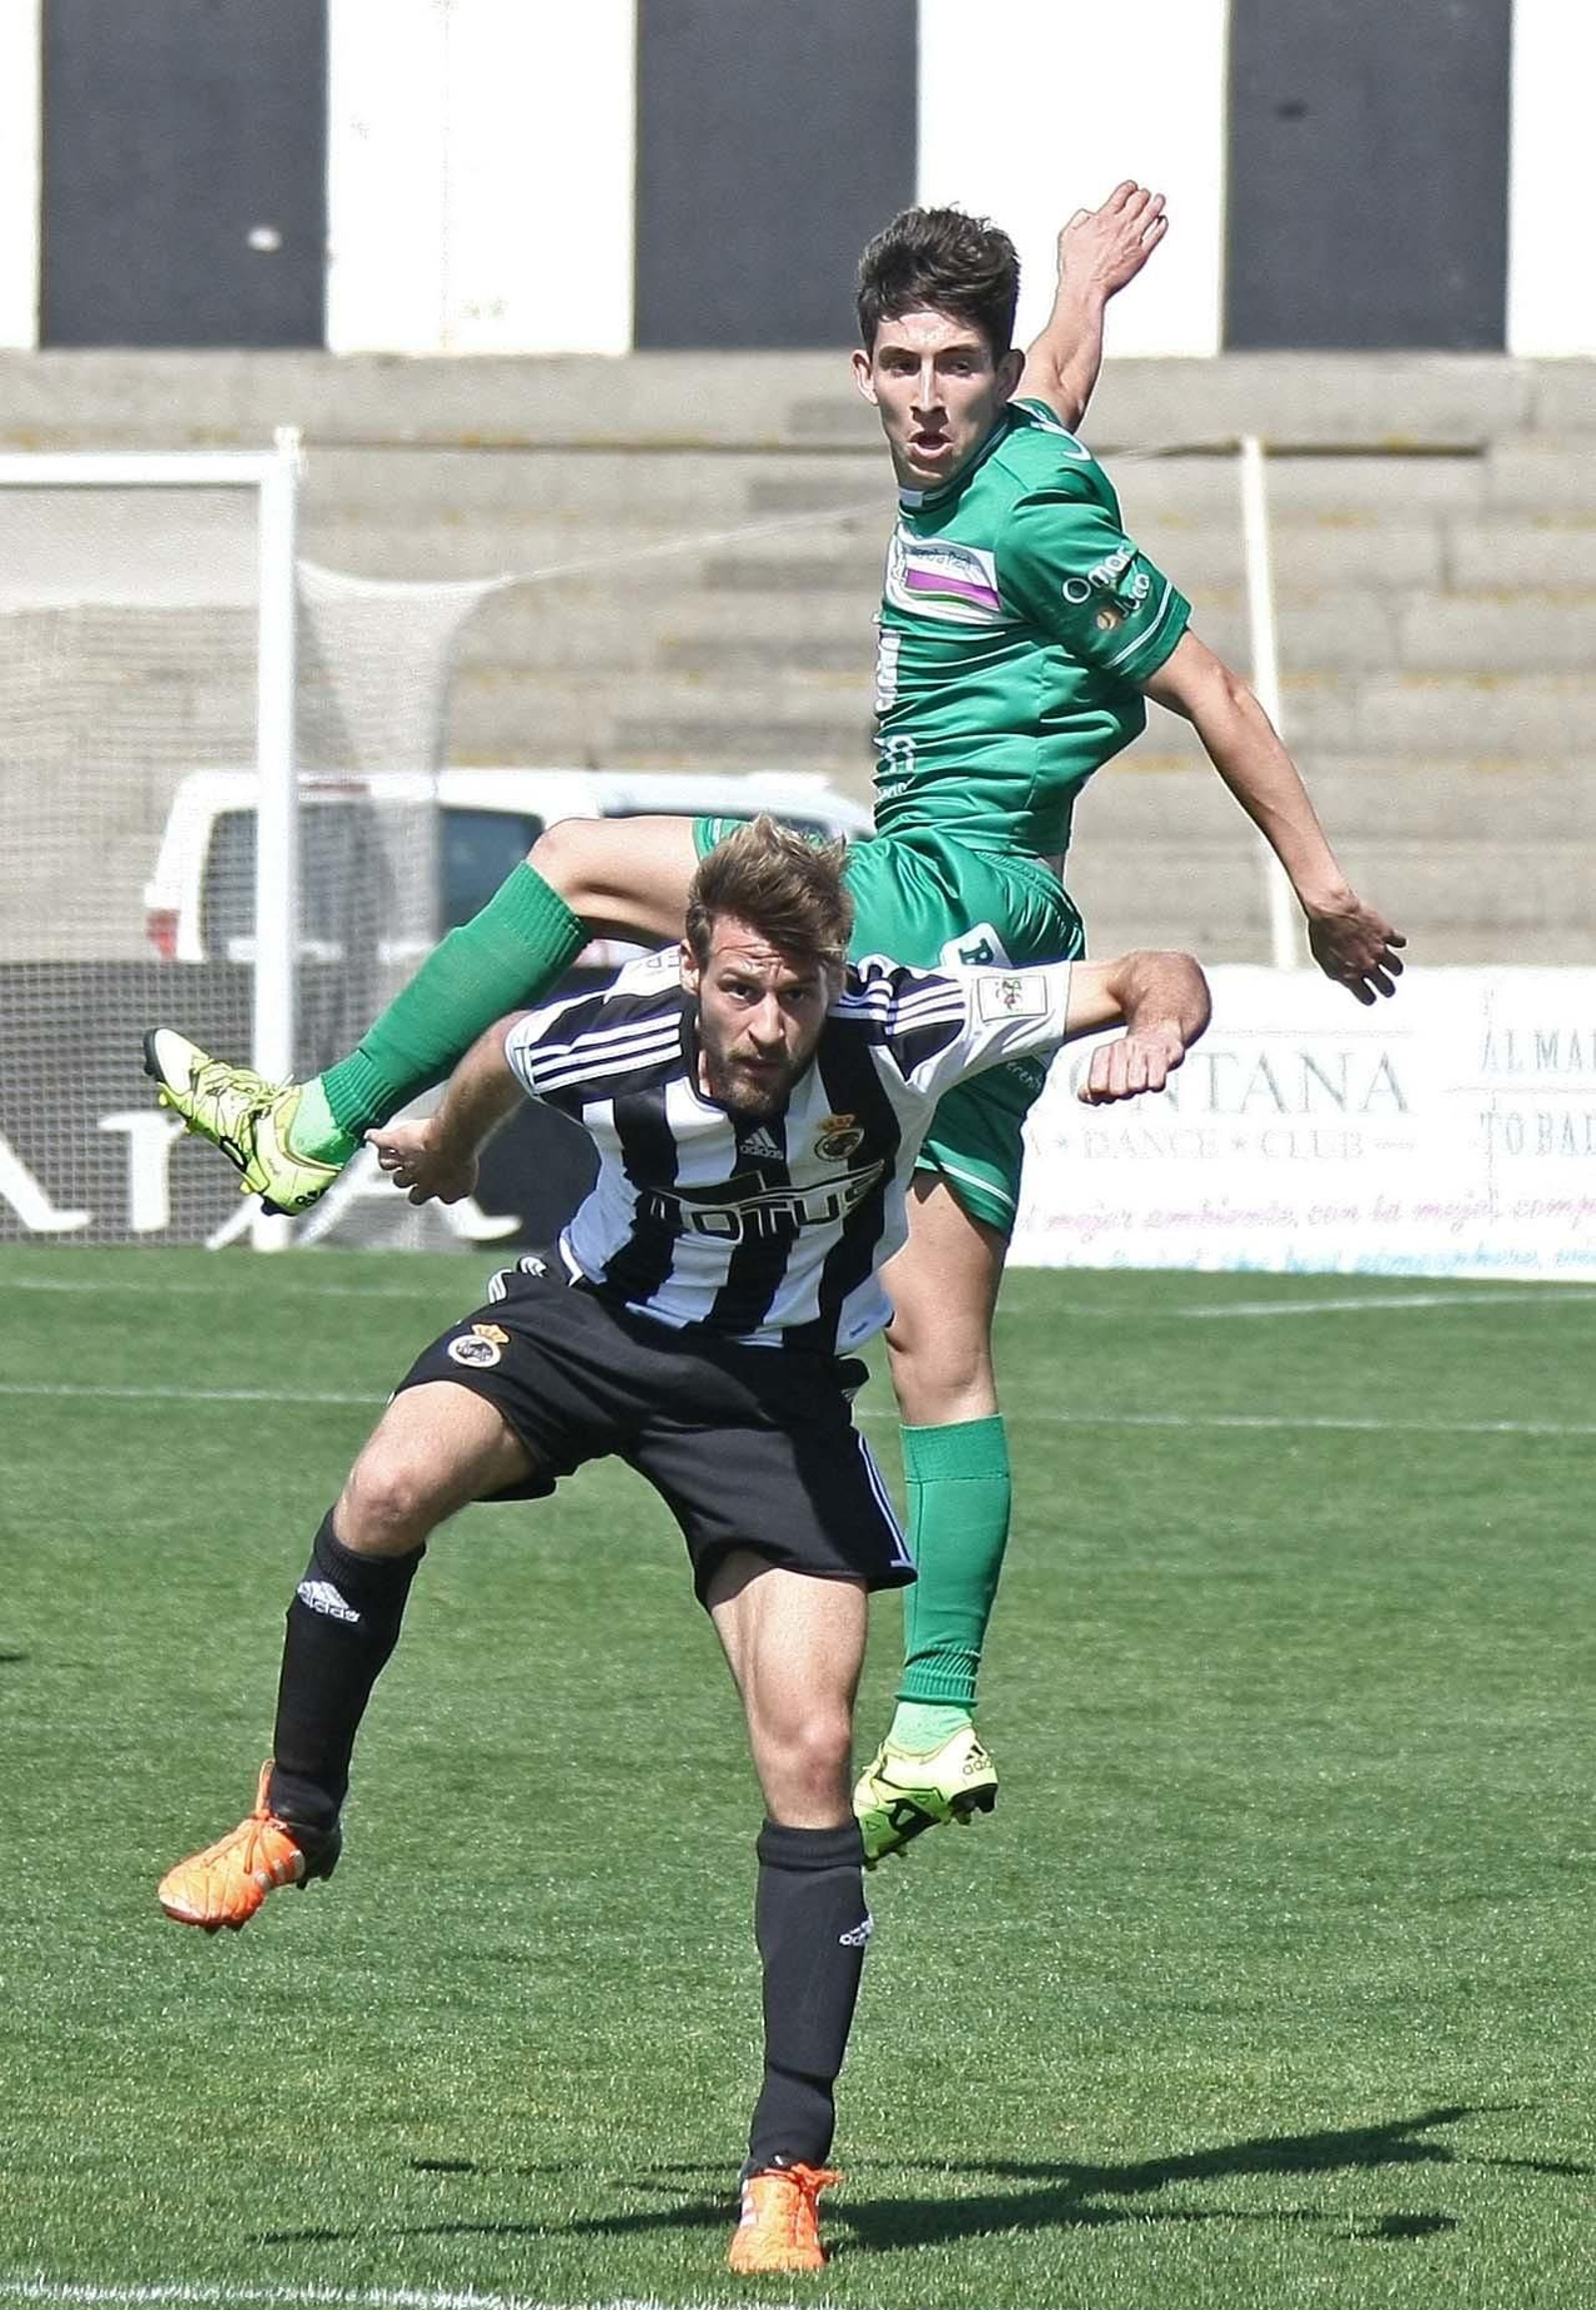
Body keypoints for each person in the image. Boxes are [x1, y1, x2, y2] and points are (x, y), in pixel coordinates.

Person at [147, 186, 1401, 1866]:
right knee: (936, 1353)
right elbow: (1055, 408)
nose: (932, 395)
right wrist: (1090, 291)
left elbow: (1214, 689)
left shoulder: (1028, 513)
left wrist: (1320, 891)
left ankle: (314, 1125)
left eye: (959, 366)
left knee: (582, 866)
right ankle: (943, 1719)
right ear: (871, 367)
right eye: (907, 365)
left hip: (930, 886)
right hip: (1015, 914)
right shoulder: (1001, 442)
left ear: (985, 367)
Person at [152, 819, 1212, 2274]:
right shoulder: (615, 1037)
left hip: (770, 1402)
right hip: (589, 1330)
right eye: (739, 988)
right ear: (691, 967)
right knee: (389, 1487)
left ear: (836, 978)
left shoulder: (904, 1028)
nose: (768, 1023)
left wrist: (1156, 1026)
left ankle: (786, 2173)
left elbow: (1162, 969)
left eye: (796, 992)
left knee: (811, 1751)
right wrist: (450, 1142)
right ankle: (292, 1816)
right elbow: (508, 1047)